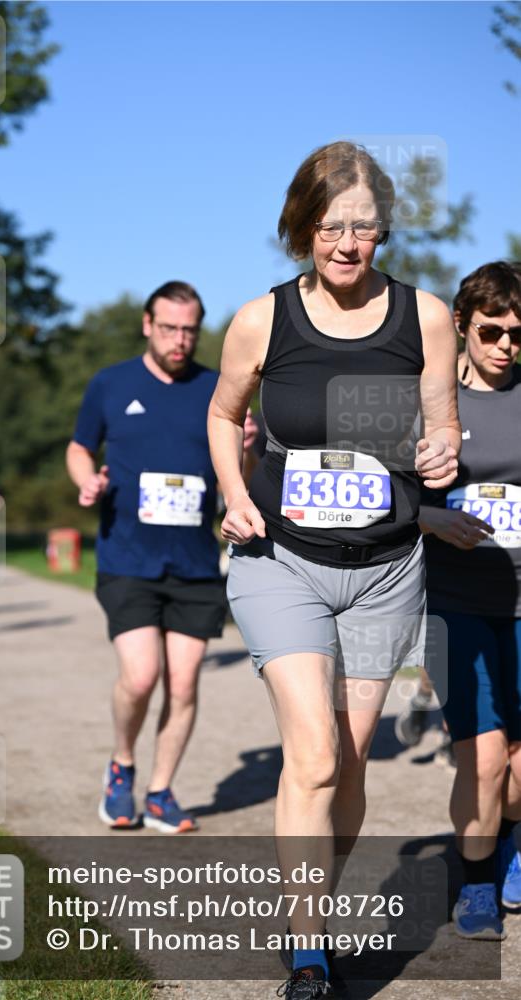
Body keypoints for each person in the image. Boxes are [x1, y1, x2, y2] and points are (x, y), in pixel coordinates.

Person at [207, 141, 460, 998]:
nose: (349, 244)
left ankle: (303, 900)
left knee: (347, 765)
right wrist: (235, 491)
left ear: (383, 231)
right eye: (331, 226)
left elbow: (441, 436)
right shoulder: (260, 320)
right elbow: (220, 413)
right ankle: (308, 949)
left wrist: (440, 452)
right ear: (302, 228)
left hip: (386, 571)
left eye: (365, 227)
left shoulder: (423, 317)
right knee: (312, 756)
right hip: (280, 560)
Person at [67, 281, 255, 834]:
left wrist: (245, 453)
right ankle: (122, 767)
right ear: (147, 325)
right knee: (142, 675)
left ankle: (160, 791)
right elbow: (80, 446)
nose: (180, 340)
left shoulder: (218, 390)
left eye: (190, 330)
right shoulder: (110, 383)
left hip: (195, 562)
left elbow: (235, 489)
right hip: (127, 557)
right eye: (169, 328)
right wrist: (87, 481)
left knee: (185, 682)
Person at [419, 261, 521, 940]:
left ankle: (511, 844)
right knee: (483, 758)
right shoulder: (429, 402)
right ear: (461, 324)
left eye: (518, 334)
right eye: (491, 331)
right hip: (453, 601)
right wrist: (432, 519)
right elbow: (392, 498)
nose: (505, 346)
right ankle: (477, 881)